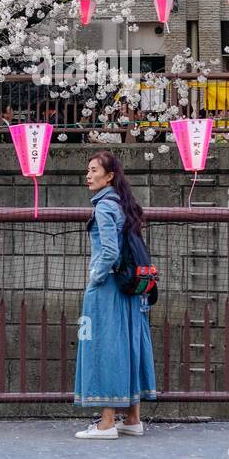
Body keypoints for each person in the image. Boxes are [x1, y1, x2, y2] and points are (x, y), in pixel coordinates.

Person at [74, 151, 159, 439]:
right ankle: (133, 419)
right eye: (88, 170)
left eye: (94, 170)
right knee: (128, 345)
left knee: (106, 346)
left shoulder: (103, 208)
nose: (88, 175)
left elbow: (109, 251)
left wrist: (95, 278)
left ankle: (107, 423)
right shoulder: (124, 204)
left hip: (109, 287)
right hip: (130, 289)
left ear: (109, 176)